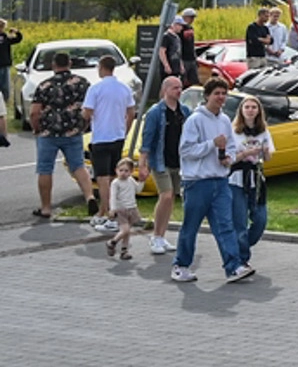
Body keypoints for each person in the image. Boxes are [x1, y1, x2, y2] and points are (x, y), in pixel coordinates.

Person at [173, 78, 251, 283]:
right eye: (217, 93)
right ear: (207, 95)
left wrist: (229, 159)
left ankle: (233, 266)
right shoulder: (195, 120)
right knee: (191, 225)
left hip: (220, 180)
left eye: (224, 94)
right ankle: (181, 265)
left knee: (225, 225)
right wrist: (211, 144)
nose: (221, 98)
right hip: (197, 182)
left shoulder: (225, 120)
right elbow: (186, 150)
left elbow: (232, 147)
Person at [29, 49, 92, 222]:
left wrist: (36, 128)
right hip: (73, 131)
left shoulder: (44, 85)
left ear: (53, 65)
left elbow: (35, 112)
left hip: (48, 133)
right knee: (78, 166)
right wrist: (84, 125)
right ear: (70, 64)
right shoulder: (82, 83)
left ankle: (46, 207)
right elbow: (89, 108)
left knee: (45, 169)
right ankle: (89, 197)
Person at [83, 54, 136, 232]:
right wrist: (125, 130)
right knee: (115, 176)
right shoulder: (124, 88)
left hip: (100, 137)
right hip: (117, 136)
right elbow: (131, 112)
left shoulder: (96, 89)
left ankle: (107, 213)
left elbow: (87, 113)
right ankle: (109, 211)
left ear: (102, 68)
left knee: (103, 178)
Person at [137, 75, 185, 254]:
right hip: (160, 161)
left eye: (180, 88)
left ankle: (162, 235)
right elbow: (147, 140)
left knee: (171, 198)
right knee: (166, 195)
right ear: (165, 90)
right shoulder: (155, 112)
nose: (179, 91)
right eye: (175, 88)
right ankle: (156, 236)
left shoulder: (184, 111)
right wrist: (143, 164)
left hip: (178, 161)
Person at [228, 94, 273, 270]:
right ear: (241, 110)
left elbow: (268, 157)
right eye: (247, 107)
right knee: (239, 221)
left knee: (260, 219)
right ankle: (241, 260)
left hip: (256, 178)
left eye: (254, 107)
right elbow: (229, 159)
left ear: (259, 111)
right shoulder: (234, 131)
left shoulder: (263, 131)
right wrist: (246, 154)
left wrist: (264, 150)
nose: (250, 110)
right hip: (237, 178)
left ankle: (242, 244)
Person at [106, 157, 142, 261]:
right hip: (121, 210)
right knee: (125, 229)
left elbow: (138, 190)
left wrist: (142, 181)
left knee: (127, 231)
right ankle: (112, 242)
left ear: (131, 172)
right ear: (116, 170)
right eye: (120, 170)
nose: (123, 173)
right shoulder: (116, 183)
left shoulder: (130, 180)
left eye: (126, 171)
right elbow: (112, 196)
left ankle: (124, 251)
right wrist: (112, 209)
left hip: (131, 208)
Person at [156, 11, 195, 89]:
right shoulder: (166, 36)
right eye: (180, 25)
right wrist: (166, 65)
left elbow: (178, 53)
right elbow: (161, 51)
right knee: (166, 88)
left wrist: (181, 66)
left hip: (176, 67)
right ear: (174, 25)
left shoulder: (177, 37)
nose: (182, 28)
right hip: (169, 67)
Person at [0, 18, 22, 145]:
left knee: (6, 88)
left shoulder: (6, 38)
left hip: (5, 66)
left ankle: (5, 101)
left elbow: (18, 39)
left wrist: (17, 32)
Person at [244, 8, 273, 72]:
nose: (267, 18)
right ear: (260, 15)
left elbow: (271, 40)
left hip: (263, 55)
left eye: (268, 17)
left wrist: (261, 39)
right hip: (253, 56)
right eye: (266, 16)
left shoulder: (265, 28)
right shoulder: (252, 27)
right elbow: (253, 40)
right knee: (253, 74)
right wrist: (264, 40)